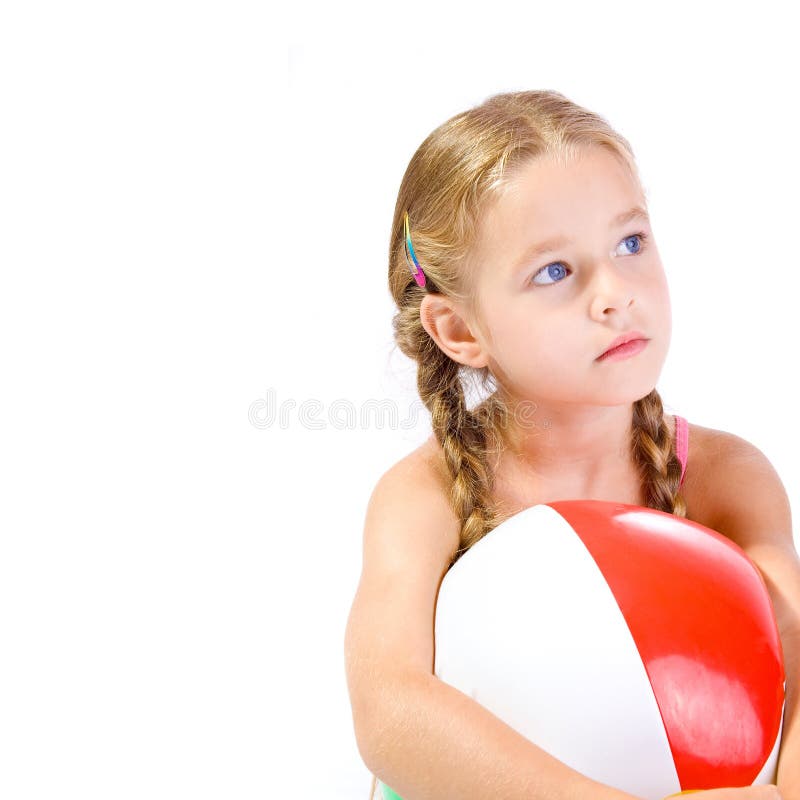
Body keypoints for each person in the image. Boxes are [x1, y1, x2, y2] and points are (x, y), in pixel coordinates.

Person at [344, 89, 799, 800]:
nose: (615, 292)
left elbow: (796, 676)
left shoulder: (727, 478)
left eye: (630, 242)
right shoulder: (422, 496)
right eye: (554, 271)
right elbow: (389, 713)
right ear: (460, 330)